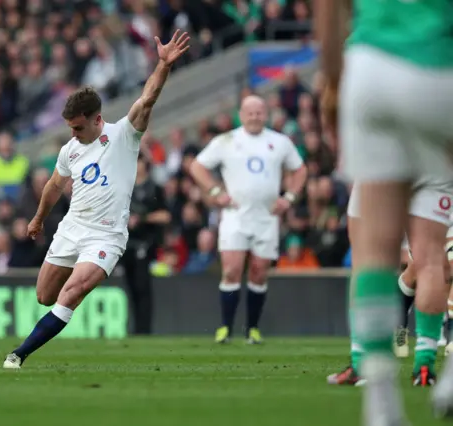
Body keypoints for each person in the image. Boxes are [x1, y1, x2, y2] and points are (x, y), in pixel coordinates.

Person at [2, 30, 190, 369]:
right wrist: (39, 219)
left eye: (78, 127)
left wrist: (163, 66)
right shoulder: (70, 150)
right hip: (72, 228)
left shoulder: (123, 135)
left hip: (106, 236)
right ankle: (31, 339)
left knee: (70, 295)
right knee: (44, 295)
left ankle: (18, 354)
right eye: (70, 128)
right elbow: (54, 186)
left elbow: (147, 98)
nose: (73, 133)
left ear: (97, 120)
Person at [315, 0, 453, 421]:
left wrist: (335, 84)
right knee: (431, 257)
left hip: (370, 68)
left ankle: (379, 400)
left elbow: (329, 9)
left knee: (372, 251)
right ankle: (438, 369)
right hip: (438, 65)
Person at [189, 95, 307, 344]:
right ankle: (225, 328)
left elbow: (300, 169)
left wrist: (290, 197)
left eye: (259, 112)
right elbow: (197, 167)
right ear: (241, 115)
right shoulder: (227, 140)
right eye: (250, 112)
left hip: (266, 217)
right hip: (236, 216)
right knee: (231, 269)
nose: (254, 117)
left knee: (259, 272)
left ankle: (252, 329)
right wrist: (215, 192)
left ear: (266, 114)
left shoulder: (280, 142)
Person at [327, 182, 452, 388]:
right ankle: (424, 367)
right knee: (431, 261)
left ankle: (361, 364)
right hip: (432, 163)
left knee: (367, 260)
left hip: (385, 161)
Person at [122, 154, 171, 334]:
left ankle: (145, 329)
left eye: (139, 161)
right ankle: (135, 328)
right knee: (131, 287)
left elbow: (165, 215)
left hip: (146, 242)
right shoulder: (125, 187)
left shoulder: (154, 188)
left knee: (143, 287)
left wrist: (142, 219)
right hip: (127, 243)